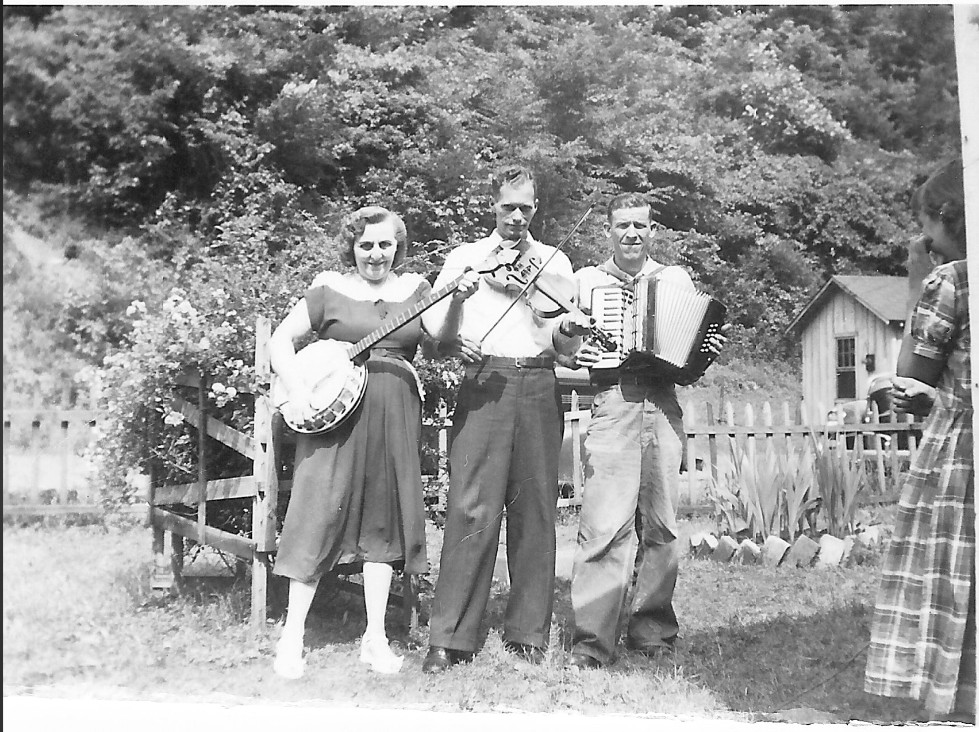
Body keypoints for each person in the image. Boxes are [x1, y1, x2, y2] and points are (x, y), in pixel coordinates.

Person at [419, 165, 591, 673]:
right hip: (485, 382)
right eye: (507, 207)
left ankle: (528, 632)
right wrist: (456, 324)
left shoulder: (555, 262)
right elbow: (436, 332)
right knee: (471, 507)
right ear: (492, 206)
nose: (516, 217)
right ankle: (450, 635)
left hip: (539, 382)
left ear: (536, 210)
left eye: (526, 208)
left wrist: (571, 331)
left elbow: (564, 345)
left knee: (535, 508)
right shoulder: (466, 258)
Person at [269, 206, 431, 678]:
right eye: (365, 245)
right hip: (333, 415)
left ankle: (375, 639)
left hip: (394, 411)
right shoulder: (328, 289)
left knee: (383, 523)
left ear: (397, 246)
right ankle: (292, 636)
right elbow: (281, 341)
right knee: (316, 511)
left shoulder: (416, 290)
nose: (375, 254)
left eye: (384, 244)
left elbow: (442, 336)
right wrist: (299, 389)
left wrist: (457, 295)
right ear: (352, 248)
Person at [565, 192, 726, 669]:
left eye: (639, 225)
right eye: (621, 226)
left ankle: (651, 629)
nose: (631, 233)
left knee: (661, 525)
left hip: (662, 401)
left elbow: (694, 343)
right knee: (604, 525)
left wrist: (705, 350)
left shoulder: (673, 279)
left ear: (651, 230)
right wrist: (577, 352)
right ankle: (593, 640)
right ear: (608, 231)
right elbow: (563, 346)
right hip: (613, 400)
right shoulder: (586, 281)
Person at [865, 158, 975, 723]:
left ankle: (952, 695)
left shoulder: (951, 281)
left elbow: (913, 373)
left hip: (962, 449)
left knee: (952, 570)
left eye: (925, 226)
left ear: (942, 219)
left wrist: (915, 278)